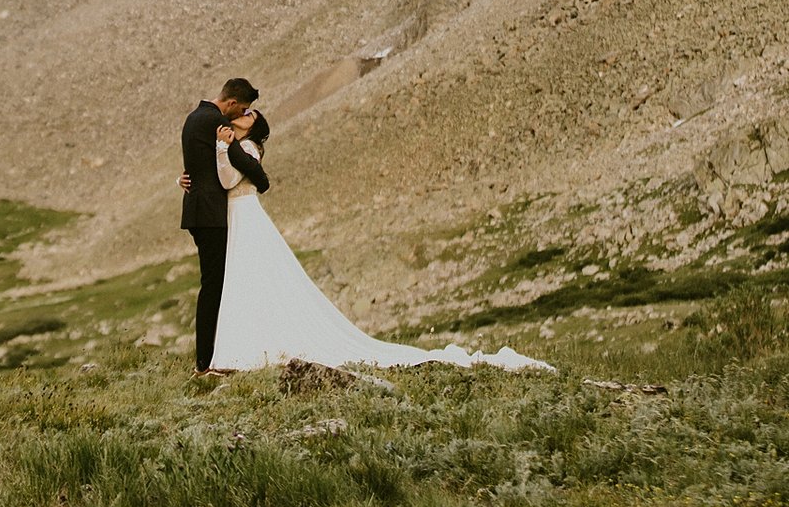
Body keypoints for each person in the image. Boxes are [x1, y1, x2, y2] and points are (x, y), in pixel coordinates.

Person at [206, 110, 554, 374]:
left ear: (254, 129)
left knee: (250, 278)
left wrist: (226, 148)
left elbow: (229, 179)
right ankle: (241, 346)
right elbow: (222, 179)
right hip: (238, 216)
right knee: (245, 281)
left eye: (248, 115)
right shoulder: (237, 143)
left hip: (247, 214)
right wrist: (218, 152)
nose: (241, 116)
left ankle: (244, 350)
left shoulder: (248, 147)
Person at [180, 78, 269, 376]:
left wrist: (180, 180)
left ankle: (216, 355)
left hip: (195, 210)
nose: (241, 115)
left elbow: (196, 166)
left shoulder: (193, 118)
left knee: (215, 284)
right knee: (214, 286)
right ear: (232, 103)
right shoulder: (217, 122)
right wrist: (263, 179)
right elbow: (240, 162)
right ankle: (205, 363)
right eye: (242, 109)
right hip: (211, 215)